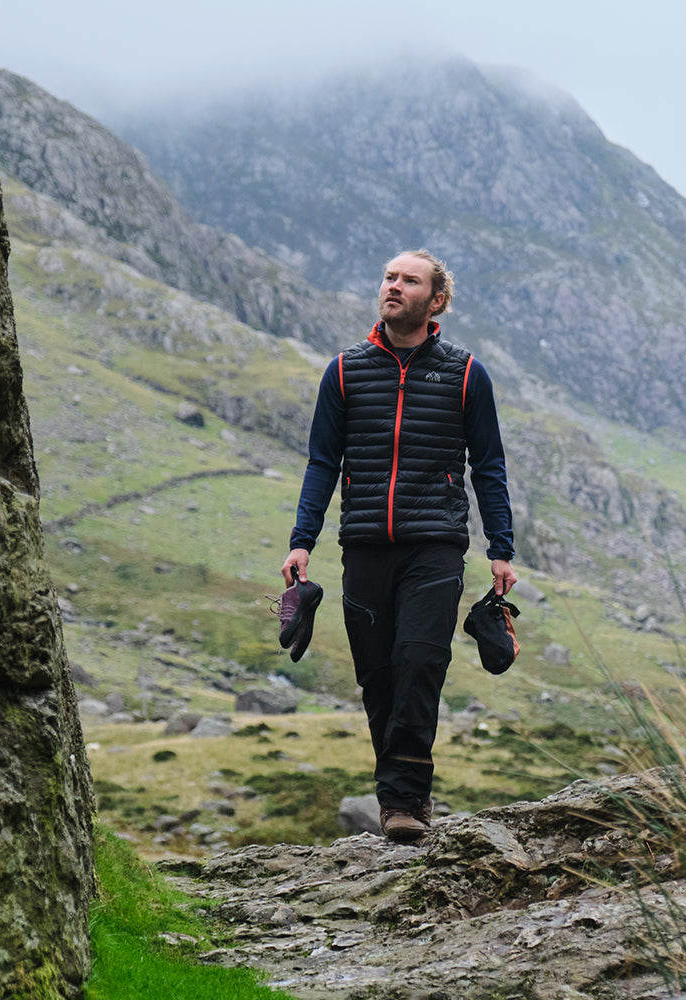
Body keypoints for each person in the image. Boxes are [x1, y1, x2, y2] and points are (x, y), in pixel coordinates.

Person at [281, 249, 516, 842]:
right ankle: (402, 793)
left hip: (434, 545)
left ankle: (404, 801)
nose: (393, 286)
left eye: (409, 280)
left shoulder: (466, 374)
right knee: (379, 675)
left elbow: (488, 465)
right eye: (388, 276)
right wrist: (301, 540)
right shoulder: (344, 371)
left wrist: (501, 547)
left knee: (420, 662)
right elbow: (321, 462)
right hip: (362, 544)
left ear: (435, 300)